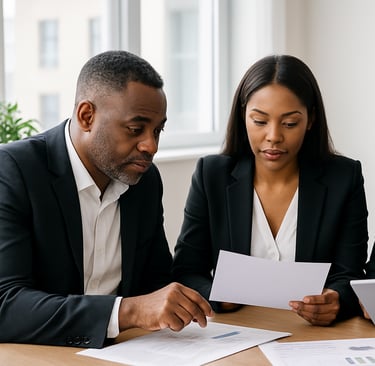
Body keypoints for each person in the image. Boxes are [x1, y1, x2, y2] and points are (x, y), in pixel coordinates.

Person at [0, 50, 213, 348]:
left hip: (127, 352)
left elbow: (156, 282)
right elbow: (6, 305)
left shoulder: (145, 181)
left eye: (157, 130)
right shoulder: (14, 171)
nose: (150, 146)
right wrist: (127, 311)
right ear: (87, 116)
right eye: (135, 129)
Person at [172, 54, 368, 326]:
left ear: (310, 120)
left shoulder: (343, 178)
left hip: (313, 336)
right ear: (243, 117)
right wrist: (218, 296)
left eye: (289, 123)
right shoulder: (211, 175)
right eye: (260, 121)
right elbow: (186, 271)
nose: (274, 136)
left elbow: (352, 273)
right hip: (233, 335)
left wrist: (336, 299)